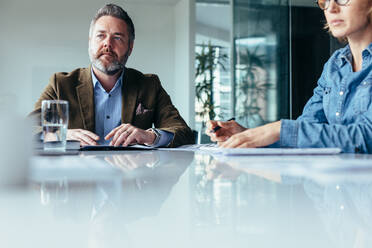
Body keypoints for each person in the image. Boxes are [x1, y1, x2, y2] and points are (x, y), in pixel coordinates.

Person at [207, 0, 372, 153]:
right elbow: (307, 128)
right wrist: (249, 136)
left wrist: (279, 130)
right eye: (324, 1)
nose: (331, 8)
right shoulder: (334, 65)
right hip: (339, 181)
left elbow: (368, 137)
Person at [30, 4, 194, 148]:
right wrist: (61, 134)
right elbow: (27, 130)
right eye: (100, 36)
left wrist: (150, 136)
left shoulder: (149, 84)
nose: (107, 44)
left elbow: (182, 132)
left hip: (131, 177)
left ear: (130, 47)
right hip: (77, 179)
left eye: (117, 37)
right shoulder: (60, 84)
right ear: (90, 42)